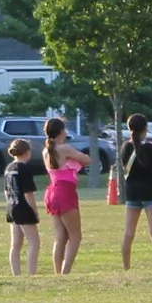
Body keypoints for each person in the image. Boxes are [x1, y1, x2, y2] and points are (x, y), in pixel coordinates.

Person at [40, 116, 89, 276]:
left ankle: (57, 273)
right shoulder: (64, 149)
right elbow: (87, 159)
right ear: (61, 131)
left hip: (52, 192)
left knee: (60, 237)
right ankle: (65, 272)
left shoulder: (46, 150)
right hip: (65, 192)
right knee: (76, 236)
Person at [118, 114, 152, 271]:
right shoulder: (151, 148)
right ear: (145, 128)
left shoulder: (125, 147)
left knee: (128, 233)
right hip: (150, 192)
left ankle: (126, 268)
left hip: (132, 192)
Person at [4, 138, 44, 276]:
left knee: (16, 244)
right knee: (34, 242)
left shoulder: (9, 168)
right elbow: (28, 194)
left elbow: (6, 191)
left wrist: (10, 204)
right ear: (27, 152)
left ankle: (16, 274)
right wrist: (35, 211)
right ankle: (31, 274)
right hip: (24, 208)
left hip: (12, 207)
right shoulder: (24, 168)